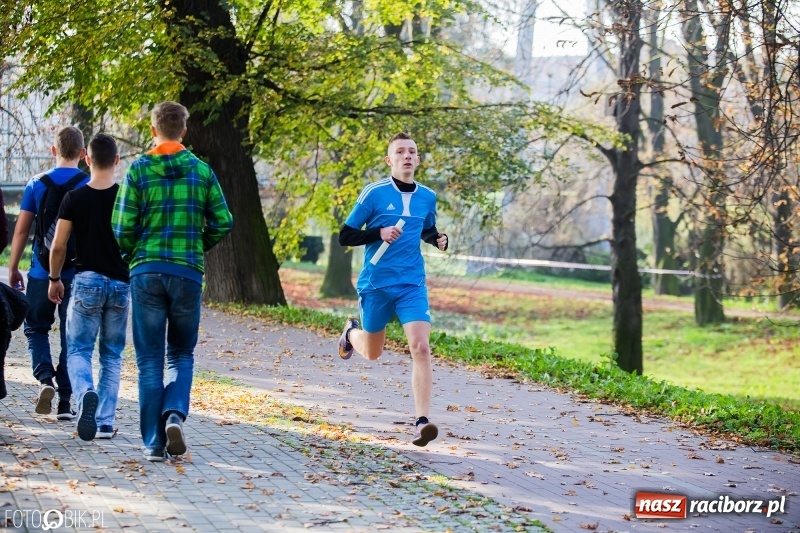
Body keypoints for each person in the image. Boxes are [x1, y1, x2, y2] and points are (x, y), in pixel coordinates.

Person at [112, 101, 233, 461]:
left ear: (153, 130)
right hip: (187, 273)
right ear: (184, 130)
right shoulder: (201, 171)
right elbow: (223, 220)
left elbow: (121, 227)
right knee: (181, 353)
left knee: (150, 360)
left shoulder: (138, 171)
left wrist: (135, 257)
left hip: (146, 272)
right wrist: (196, 245)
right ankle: (175, 414)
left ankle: (153, 443)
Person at [337, 132, 449, 447]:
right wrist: (379, 232)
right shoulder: (373, 193)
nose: (407, 156)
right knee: (373, 353)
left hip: (411, 284)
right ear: (390, 160)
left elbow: (426, 229)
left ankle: (422, 422)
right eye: (400, 152)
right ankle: (350, 334)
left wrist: (438, 239)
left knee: (421, 347)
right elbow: (345, 236)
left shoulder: (428, 197)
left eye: (412, 151)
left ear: (418, 158)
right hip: (375, 285)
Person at [48, 133, 130, 441]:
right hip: (121, 283)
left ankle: (84, 395)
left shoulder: (75, 198)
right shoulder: (126, 198)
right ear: (117, 160)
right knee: (111, 355)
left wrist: (55, 280)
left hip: (85, 282)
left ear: (87, 158)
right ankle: (106, 423)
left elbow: (58, 245)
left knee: (79, 349)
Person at [8, 126, 89, 420]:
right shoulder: (90, 184)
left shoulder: (35, 183)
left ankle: (45, 380)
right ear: (83, 154)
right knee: (73, 337)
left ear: (54, 151)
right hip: (77, 275)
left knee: (35, 327)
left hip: (42, 273)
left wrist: (14, 266)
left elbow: (21, 230)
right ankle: (66, 403)